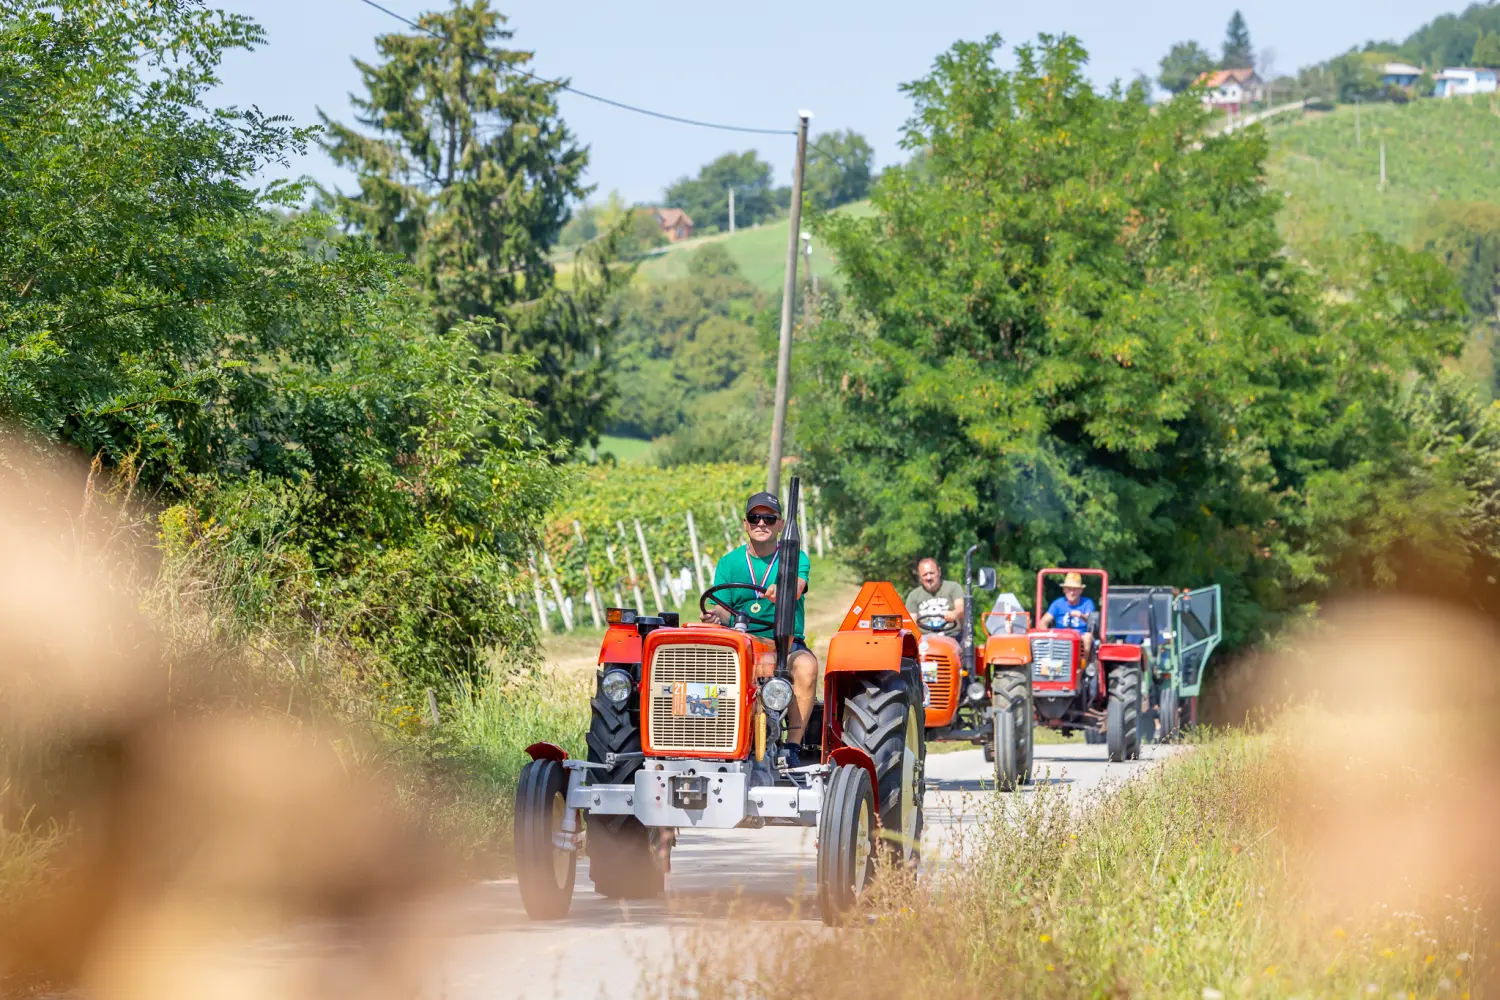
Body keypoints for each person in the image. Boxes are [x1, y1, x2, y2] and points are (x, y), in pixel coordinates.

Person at [700, 491, 815, 758]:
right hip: (743, 643)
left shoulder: (795, 557)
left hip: (783, 642)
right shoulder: (729, 562)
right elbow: (724, 608)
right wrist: (716, 616)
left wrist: (785, 587)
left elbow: (797, 586)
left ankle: (792, 747)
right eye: (754, 518)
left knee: (806, 666)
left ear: (780, 524)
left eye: (768, 518)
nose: (761, 523)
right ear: (745, 523)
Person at [1039, 572, 1096, 662]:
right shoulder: (1058, 604)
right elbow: (1043, 622)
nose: (1072, 592)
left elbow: (1091, 619)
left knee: (1088, 637)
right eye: (1069, 589)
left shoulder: (1087, 603)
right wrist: (1048, 635)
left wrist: (1081, 615)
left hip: (1080, 637)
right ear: (1064, 590)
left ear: (1081, 590)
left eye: (1075, 589)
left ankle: (1083, 664)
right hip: (1060, 636)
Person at [904, 558, 965, 637]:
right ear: (920, 576)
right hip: (925, 640)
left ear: (939, 571)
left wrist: (954, 613)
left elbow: (961, 608)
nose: (929, 577)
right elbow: (911, 623)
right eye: (925, 575)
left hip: (952, 636)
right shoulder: (913, 595)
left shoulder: (953, 587)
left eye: (931, 573)